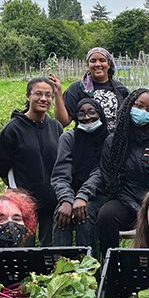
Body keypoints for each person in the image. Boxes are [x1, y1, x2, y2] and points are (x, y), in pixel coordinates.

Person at [72, 88, 149, 257]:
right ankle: (112, 264)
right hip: (127, 201)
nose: (143, 112)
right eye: (139, 106)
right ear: (129, 106)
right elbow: (111, 182)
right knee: (106, 215)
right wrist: (138, 209)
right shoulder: (113, 141)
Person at [0, 76, 63, 246]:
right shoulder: (12, 129)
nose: (43, 99)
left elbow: (62, 164)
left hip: (52, 200)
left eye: (48, 95)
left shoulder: (56, 128)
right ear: (28, 96)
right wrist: (16, 192)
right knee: (25, 248)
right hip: (24, 204)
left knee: (50, 250)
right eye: (38, 94)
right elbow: (3, 165)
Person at [50, 98, 110, 247]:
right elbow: (60, 175)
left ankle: (88, 266)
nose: (87, 117)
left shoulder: (109, 139)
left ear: (100, 114)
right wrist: (66, 199)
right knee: (62, 213)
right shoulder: (69, 138)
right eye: (81, 114)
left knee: (85, 213)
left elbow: (101, 172)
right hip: (72, 192)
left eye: (92, 112)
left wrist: (83, 196)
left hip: (101, 194)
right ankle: (62, 266)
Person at [56, 47, 129, 130]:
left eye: (102, 60)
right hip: (85, 141)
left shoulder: (120, 89)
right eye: (93, 61)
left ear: (108, 64)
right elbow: (63, 122)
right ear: (88, 65)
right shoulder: (77, 89)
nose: (97, 64)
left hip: (115, 141)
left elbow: (127, 120)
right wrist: (58, 94)